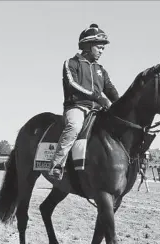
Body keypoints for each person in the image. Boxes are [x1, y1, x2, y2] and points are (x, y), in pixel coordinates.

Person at [49, 23, 120, 179]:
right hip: (76, 107)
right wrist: (98, 97)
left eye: (103, 48)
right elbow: (73, 85)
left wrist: (121, 105)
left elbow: (111, 90)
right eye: (99, 47)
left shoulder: (101, 69)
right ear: (88, 45)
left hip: (97, 110)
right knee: (74, 126)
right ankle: (57, 164)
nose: (102, 51)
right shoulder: (71, 63)